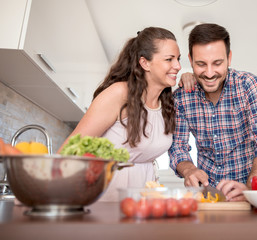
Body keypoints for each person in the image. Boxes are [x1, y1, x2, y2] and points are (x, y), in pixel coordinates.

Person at [59, 27, 181, 201]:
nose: (178, 66)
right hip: (105, 196)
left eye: (178, 59)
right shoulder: (119, 94)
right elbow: (70, 150)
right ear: (145, 63)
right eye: (169, 59)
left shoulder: (166, 104)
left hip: (141, 200)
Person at [169, 23, 257, 201]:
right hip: (207, 197)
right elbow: (178, 148)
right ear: (190, 60)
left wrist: (251, 189)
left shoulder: (249, 85)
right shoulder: (182, 98)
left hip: (249, 194)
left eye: (217, 63)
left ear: (229, 58)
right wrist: (190, 170)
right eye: (201, 64)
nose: (210, 72)